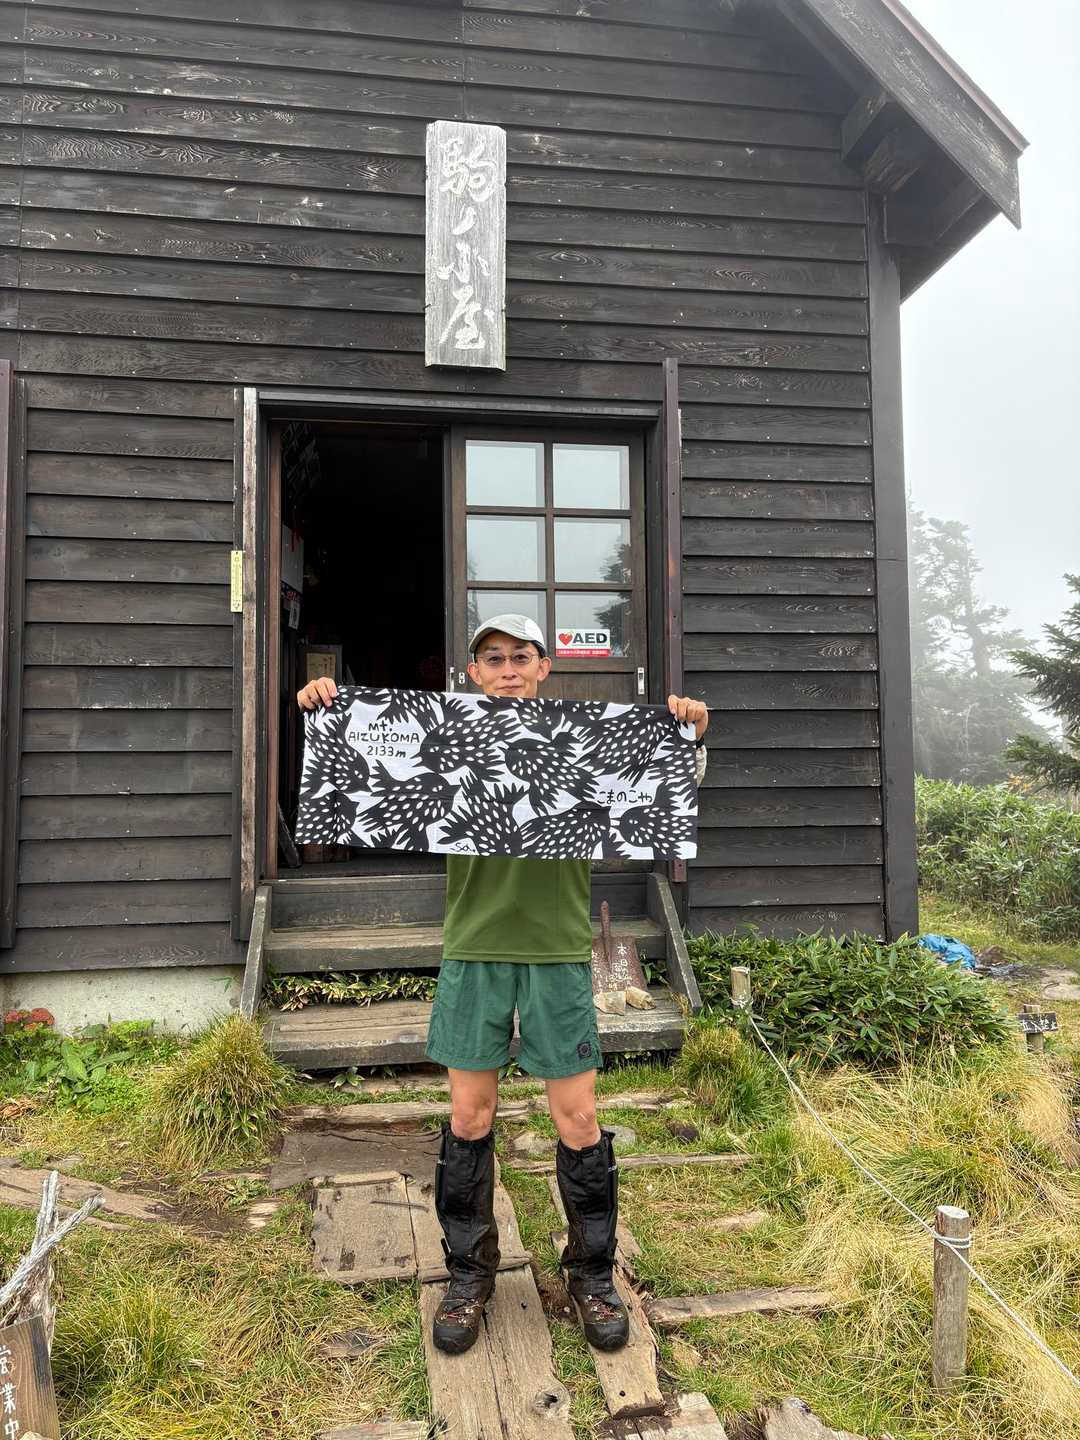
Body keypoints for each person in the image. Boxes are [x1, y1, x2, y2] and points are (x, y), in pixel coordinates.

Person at [297, 613, 708, 1357]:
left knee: (578, 1119)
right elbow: (360, 761)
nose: (509, 668)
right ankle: (469, 1275)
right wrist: (325, 709)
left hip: (556, 951)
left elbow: (662, 788)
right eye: (494, 658)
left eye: (522, 656)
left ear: (544, 667)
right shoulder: (444, 737)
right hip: (476, 948)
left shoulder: (585, 741)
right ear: (474, 672)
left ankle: (592, 1275)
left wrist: (688, 733)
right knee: (468, 1116)